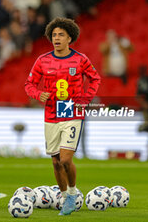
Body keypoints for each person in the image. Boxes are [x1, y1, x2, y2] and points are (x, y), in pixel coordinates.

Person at [24, 17, 100, 215]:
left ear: (70, 38)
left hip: (72, 111)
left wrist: (85, 99)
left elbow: (95, 79)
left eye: (61, 35)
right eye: (54, 35)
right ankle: (65, 197)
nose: (56, 38)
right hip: (51, 113)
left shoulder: (81, 59)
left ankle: (72, 194)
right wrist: (37, 94)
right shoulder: (42, 60)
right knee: (56, 162)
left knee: (66, 160)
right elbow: (29, 85)